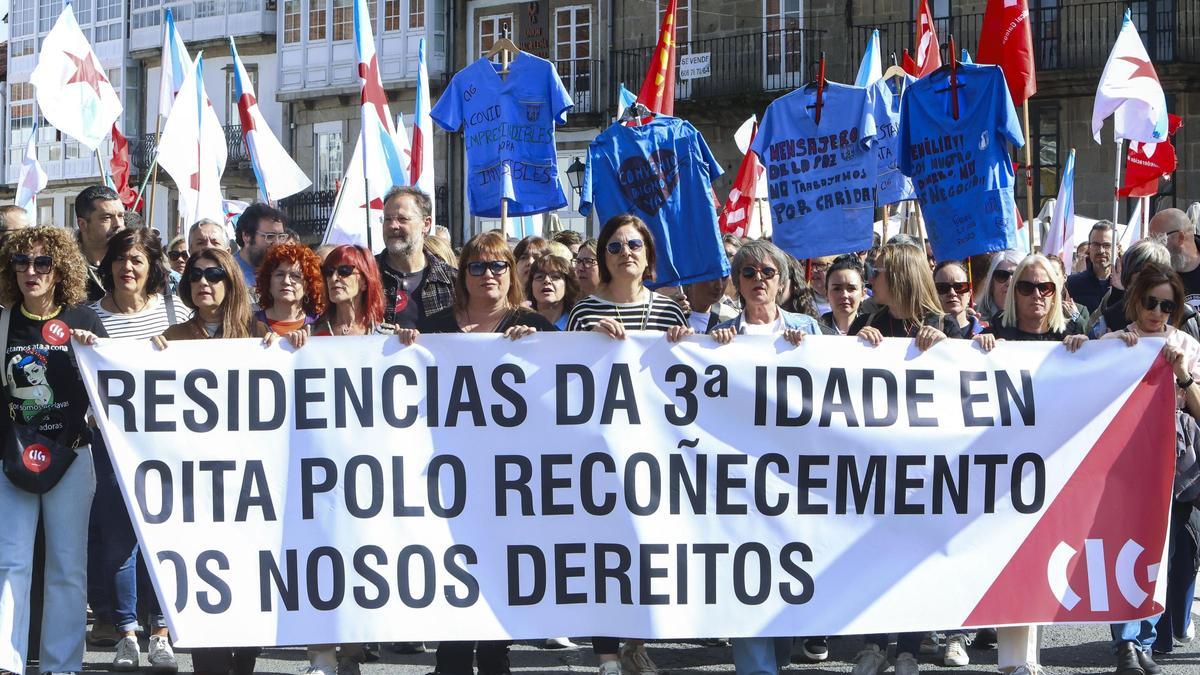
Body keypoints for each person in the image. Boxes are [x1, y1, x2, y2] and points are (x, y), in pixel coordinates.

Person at [391, 231, 552, 675]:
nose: (488, 275)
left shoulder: (532, 326)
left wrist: (560, 345)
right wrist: (401, 347)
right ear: (462, 275)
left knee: (500, 571)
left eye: (498, 265)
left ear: (510, 273)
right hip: (448, 475)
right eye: (477, 267)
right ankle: (452, 660)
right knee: (454, 565)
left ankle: (496, 656)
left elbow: (570, 384)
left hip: (511, 480)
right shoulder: (436, 326)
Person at [567, 214, 689, 675]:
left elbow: (684, 379)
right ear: (604, 256)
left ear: (649, 254)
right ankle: (604, 657)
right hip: (599, 446)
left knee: (644, 547)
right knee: (603, 551)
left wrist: (685, 342)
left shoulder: (669, 311)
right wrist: (588, 338)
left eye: (634, 245)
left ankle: (636, 641)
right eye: (615, 247)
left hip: (654, 447)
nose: (626, 253)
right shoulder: (584, 311)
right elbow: (565, 375)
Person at [151, 248, 266, 675]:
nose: (204, 281)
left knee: (251, 575)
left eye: (214, 274)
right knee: (206, 578)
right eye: (196, 275)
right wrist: (149, 360)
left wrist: (287, 349)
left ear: (230, 280)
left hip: (251, 484)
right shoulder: (173, 338)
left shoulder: (258, 335)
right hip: (197, 485)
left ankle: (247, 658)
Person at [0, 226, 108, 675]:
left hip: (72, 455)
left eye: (41, 263)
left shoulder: (84, 319)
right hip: (12, 458)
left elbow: (113, 385)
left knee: (67, 567)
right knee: (11, 561)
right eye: (21, 263)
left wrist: (98, 353)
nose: (31, 271)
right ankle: (6, 660)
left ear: (58, 268)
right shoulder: (4, 320)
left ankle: (61, 666)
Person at [973, 254, 1088, 675]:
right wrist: (980, 351)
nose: (1036, 295)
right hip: (1003, 471)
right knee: (1009, 556)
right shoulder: (994, 336)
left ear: (1057, 294)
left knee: (1038, 557)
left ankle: (1028, 659)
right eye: (1025, 286)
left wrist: (1089, 350)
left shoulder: (1072, 338)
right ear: (1011, 292)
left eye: (1046, 288)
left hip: (1053, 470)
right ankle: (1012, 661)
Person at [705, 240, 815, 675]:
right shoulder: (721, 329)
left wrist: (811, 348)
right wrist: (707, 346)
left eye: (767, 273)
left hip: (794, 478)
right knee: (748, 578)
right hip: (740, 478)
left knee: (785, 579)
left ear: (782, 282)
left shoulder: (809, 326)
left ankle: (777, 656)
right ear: (737, 283)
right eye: (747, 274)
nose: (758, 281)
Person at [87, 227, 189, 672]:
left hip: (170, 446)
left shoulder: (175, 310)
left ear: (152, 268)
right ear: (109, 265)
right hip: (111, 447)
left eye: (137, 261)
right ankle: (127, 633)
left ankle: (161, 633)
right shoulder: (90, 318)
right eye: (120, 260)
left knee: (166, 538)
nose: (127, 268)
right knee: (119, 542)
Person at [1103, 263, 1199, 673]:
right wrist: (1087, 347)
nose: (1157, 312)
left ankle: (1143, 639)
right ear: (1134, 300)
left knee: (1164, 552)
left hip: (1171, 467)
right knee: (1124, 549)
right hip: (1120, 464)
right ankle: (1126, 643)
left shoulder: (1186, 346)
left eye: (1167, 305)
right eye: (1150, 302)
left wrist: (1182, 376)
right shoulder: (1114, 342)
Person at [376, 186, 455, 332]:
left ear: (426, 224)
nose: (393, 226)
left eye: (402, 219)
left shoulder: (452, 281)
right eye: (387, 219)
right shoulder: (365, 276)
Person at [313, 245, 390, 337]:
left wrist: (406, 339)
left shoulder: (387, 336)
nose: (333, 278)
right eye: (329, 271)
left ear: (365, 282)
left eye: (344, 270)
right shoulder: (310, 333)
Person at [254, 242, 325, 336]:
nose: (286, 281)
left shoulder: (320, 324)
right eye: (279, 274)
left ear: (308, 285)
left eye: (295, 276)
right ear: (268, 282)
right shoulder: (250, 323)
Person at [74, 185, 127, 301]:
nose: (118, 224)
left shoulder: (134, 259)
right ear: (82, 224)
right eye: (107, 218)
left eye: (121, 216)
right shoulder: (63, 263)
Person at [1148, 207, 1200, 308]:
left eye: (1158, 239)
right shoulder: (1153, 272)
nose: (1153, 246)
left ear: (1180, 237)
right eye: (1150, 240)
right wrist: (1120, 290)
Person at [233, 203, 287, 287]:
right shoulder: (229, 273)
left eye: (281, 236)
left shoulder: (284, 272)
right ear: (247, 236)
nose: (277, 243)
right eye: (270, 236)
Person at [1065, 221, 1114, 312]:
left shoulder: (1127, 285)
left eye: (1106, 245)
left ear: (1117, 248)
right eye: (1096, 245)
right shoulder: (1072, 284)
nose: (1101, 250)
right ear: (1089, 247)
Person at [526, 254, 580, 330]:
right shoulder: (521, 323)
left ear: (568, 285)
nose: (547, 281)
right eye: (539, 276)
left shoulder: (579, 325)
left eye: (555, 276)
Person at [933, 261, 983, 336]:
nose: (952, 293)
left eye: (959, 287)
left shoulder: (987, 334)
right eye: (942, 287)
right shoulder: (921, 335)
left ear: (969, 294)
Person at [975, 250, 1024, 325]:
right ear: (991, 284)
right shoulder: (974, 321)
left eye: (1016, 276)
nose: (1009, 282)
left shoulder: (1032, 322)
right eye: (1001, 276)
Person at [822, 255, 867, 335]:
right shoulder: (813, 329)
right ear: (826, 294)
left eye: (851, 288)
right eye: (837, 289)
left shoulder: (873, 327)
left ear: (863, 294)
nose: (844, 295)